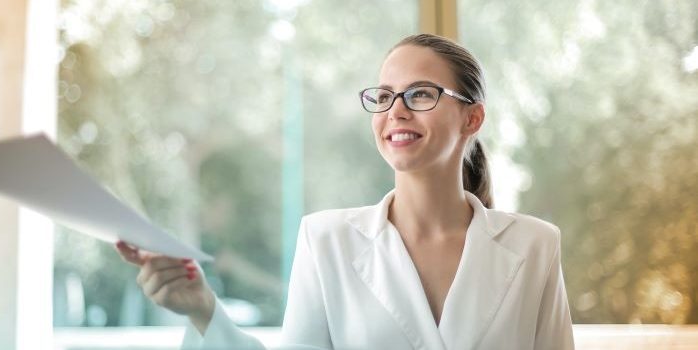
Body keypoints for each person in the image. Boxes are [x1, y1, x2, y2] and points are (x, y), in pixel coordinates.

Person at [117, 33, 574, 350]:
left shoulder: (534, 245)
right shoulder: (325, 240)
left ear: (471, 118)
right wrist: (203, 311)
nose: (395, 111)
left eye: (419, 95)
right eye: (384, 96)